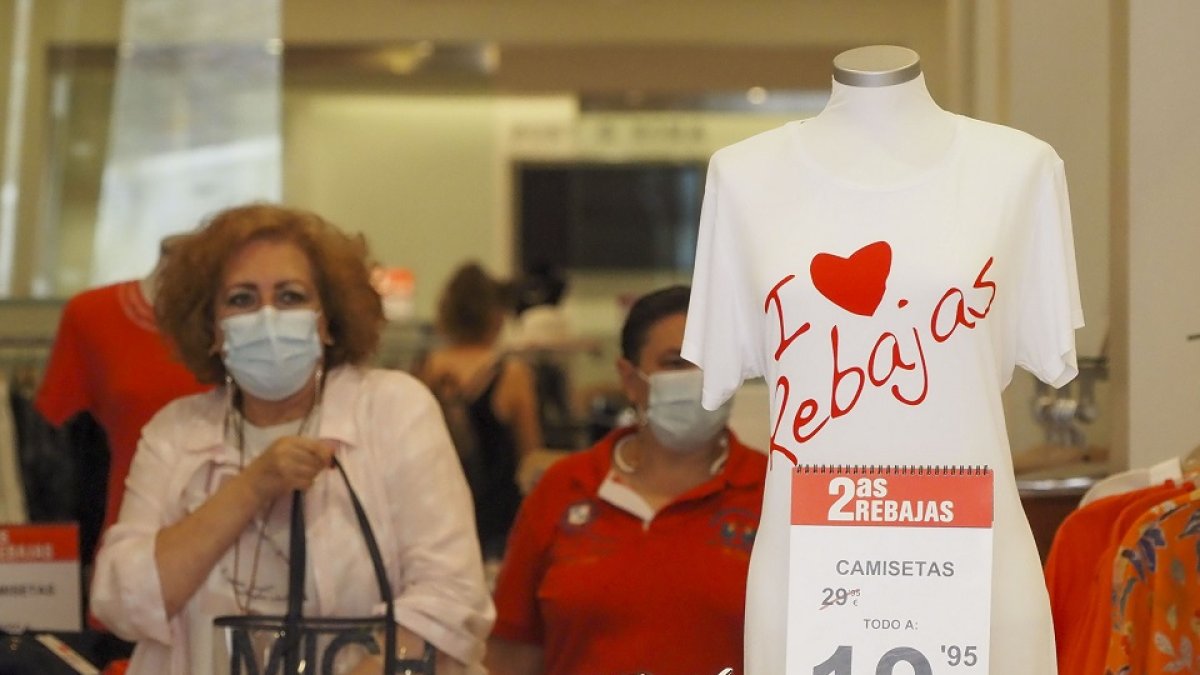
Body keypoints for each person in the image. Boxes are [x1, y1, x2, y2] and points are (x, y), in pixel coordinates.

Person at [89, 204, 493, 674]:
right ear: (212, 330)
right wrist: (251, 487)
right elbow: (121, 602)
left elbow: (452, 596)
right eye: (241, 300)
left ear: (326, 322)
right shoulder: (175, 432)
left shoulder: (393, 408)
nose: (266, 317)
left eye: (290, 297)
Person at [486, 285, 768, 675]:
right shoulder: (564, 488)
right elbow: (511, 652)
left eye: (715, 363)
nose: (700, 379)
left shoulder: (771, 495)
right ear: (630, 378)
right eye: (675, 363)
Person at [417, 262, 543, 560]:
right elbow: (531, 455)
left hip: (438, 512)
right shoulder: (512, 374)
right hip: (497, 520)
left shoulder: (425, 369)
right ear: (496, 317)